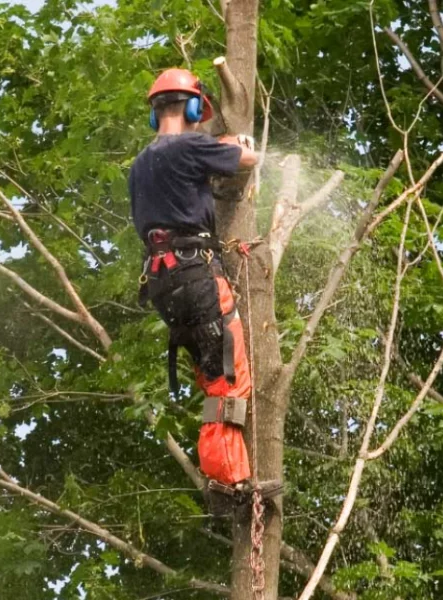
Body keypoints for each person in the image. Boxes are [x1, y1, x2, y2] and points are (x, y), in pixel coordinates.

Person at [128, 68, 281, 512]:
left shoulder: (141, 164)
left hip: (161, 282)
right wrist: (238, 144)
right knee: (229, 376)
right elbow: (248, 160)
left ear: (155, 115)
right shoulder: (193, 146)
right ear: (194, 108)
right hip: (195, 273)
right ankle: (230, 483)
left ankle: (223, 474)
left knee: (213, 373)